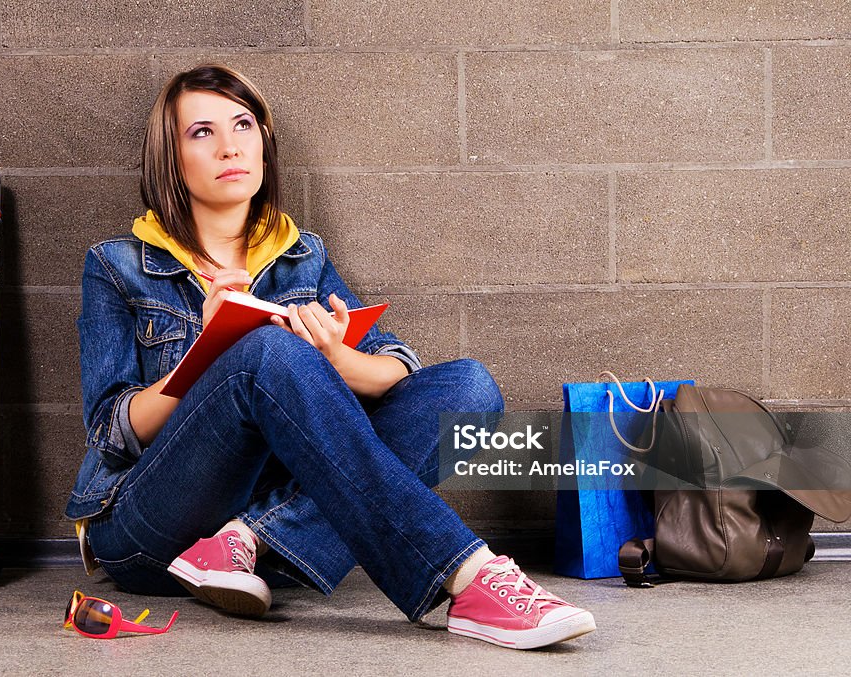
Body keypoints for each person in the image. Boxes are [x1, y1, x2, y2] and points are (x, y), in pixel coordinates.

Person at [64, 63, 596, 650]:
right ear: (171, 156)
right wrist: (206, 352)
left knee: (468, 390)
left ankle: (249, 538)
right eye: (202, 133)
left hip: (258, 547)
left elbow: (394, 367)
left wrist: (338, 359)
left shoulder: (302, 258)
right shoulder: (117, 266)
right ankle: (470, 578)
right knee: (265, 348)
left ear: (265, 145)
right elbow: (112, 433)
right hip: (148, 531)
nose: (229, 146)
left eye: (243, 126)